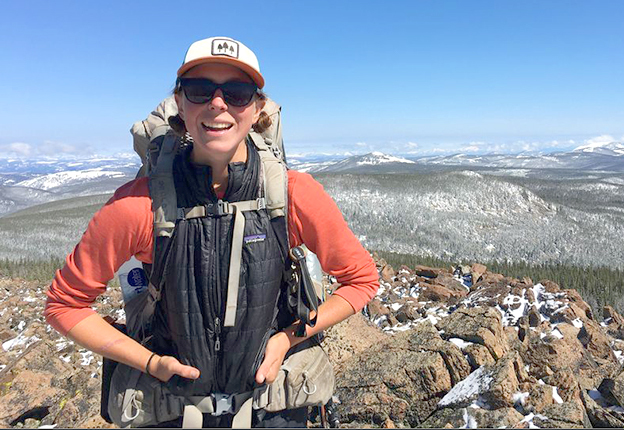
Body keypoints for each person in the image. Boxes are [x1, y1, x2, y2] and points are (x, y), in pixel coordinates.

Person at [44, 36, 379, 427]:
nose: (218, 103)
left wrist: (287, 338)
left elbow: (361, 280)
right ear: (181, 105)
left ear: (257, 109)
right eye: (201, 90)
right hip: (173, 410)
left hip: (272, 409)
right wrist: (150, 362)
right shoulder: (138, 206)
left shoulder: (292, 195)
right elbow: (64, 305)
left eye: (237, 92)